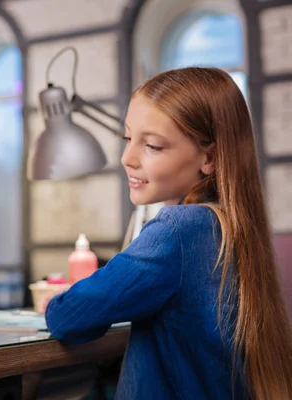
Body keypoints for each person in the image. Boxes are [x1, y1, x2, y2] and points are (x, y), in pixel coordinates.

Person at [45, 67, 292, 400]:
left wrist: (51, 299)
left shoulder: (177, 230)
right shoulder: (232, 227)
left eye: (152, 146)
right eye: (127, 138)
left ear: (209, 157)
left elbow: (67, 316)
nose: (127, 158)